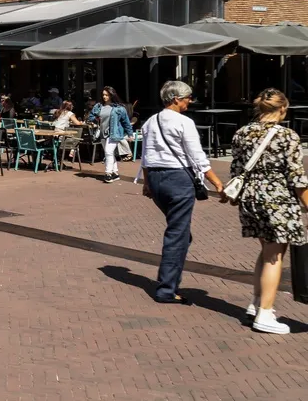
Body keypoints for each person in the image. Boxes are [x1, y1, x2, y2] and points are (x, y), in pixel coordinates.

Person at [229, 88, 308, 334]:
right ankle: (265, 313)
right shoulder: (288, 136)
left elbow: (236, 169)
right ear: (283, 108)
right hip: (278, 201)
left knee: (267, 252)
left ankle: (257, 303)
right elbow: (297, 177)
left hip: (251, 198)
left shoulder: (242, 133)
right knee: (275, 257)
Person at [139, 80, 224, 305]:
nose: (190, 101)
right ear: (176, 99)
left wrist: (147, 183)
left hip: (156, 179)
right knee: (177, 234)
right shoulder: (184, 122)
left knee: (180, 232)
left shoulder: (150, 121)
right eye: (188, 97)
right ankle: (167, 289)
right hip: (177, 179)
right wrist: (216, 182)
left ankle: (170, 280)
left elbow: (145, 156)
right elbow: (197, 156)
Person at [90, 86, 133, 183]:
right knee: (110, 153)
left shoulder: (119, 108)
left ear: (112, 95)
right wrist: (96, 119)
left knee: (108, 152)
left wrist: (130, 134)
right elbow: (91, 116)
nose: (105, 97)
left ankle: (108, 173)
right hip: (102, 133)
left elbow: (126, 121)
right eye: (103, 95)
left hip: (114, 133)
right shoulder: (99, 106)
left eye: (107, 95)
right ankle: (115, 173)